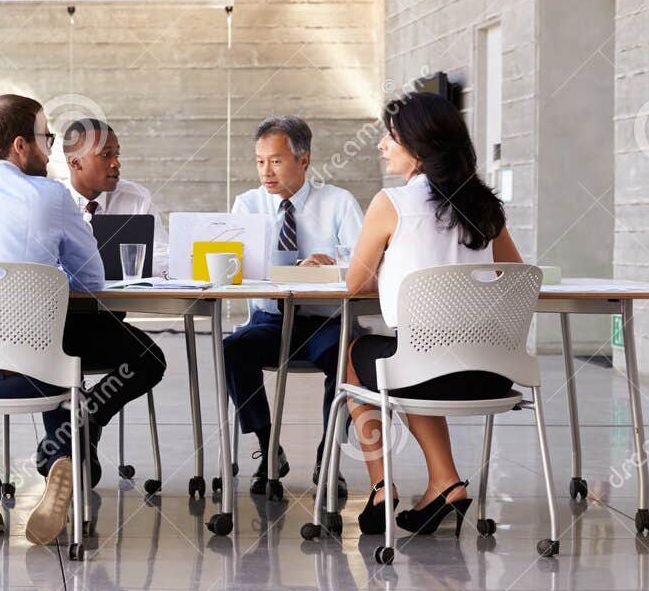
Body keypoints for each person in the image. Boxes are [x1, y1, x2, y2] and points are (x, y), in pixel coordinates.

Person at [0, 94, 164, 545]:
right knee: (111, 356)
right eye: (46, 139)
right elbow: (91, 279)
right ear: (21, 145)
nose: (51, 151)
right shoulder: (50, 195)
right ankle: (66, 446)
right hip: (38, 368)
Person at [345, 92, 522, 537]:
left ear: (419, 147)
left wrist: (390, 266)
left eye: (390, 137)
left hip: (424, 372)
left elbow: (354, 285)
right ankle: (444, 484)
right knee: (419, 356)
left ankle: (382, 488)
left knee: (358, 356)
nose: (383, 146)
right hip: (491, 374)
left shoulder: (392, 204)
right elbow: (517, 275)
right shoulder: (485, 207)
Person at [223, 116, 364, 495]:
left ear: (304, 160)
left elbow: (366, 266)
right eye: (259, 161)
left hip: (326, 323)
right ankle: (268, 448)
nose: (266, 171)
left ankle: (327, 455)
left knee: (345, 357)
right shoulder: (248, 204)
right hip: (271, 320)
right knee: (233, 349)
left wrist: (333, 263)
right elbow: (233, 267)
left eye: (276, 160)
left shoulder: (338, 202)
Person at [60, 117, 169, 267]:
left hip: (123, 289)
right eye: (105, 155)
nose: (116, 163)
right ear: (75, 162)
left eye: (116, 155)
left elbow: (161, 256)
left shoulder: (136, 198)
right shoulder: (52, 201)